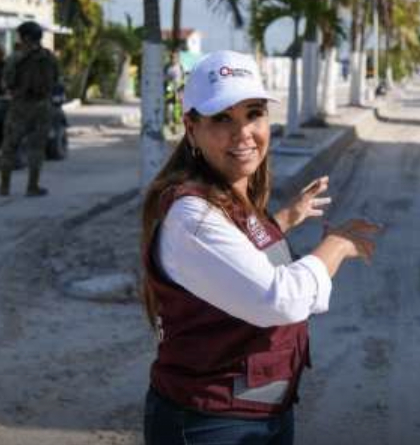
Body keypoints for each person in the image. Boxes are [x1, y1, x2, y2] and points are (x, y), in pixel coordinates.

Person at [140, 50, 383, 444]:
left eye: (253, 113)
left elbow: (240, 253)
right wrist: (335, 247)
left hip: (259, 415)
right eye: (222, 118)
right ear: (191, 127)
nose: (243, 134)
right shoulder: (192, 217)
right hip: (210, 423)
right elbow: (278, 299)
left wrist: (287, 217)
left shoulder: (229, 198)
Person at [0, 21, 60, 197]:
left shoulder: (16, 58)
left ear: (25, 37)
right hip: (42, 106)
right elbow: (55, 79)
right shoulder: (49, 57)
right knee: (37, 148)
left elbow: (6, 82)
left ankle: (4, 187)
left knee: (9, 146)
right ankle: (32, 187)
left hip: (19, 106)